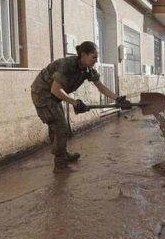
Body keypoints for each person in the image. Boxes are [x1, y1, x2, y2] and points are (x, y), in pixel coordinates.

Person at [30, 41, 130, 173]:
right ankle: (60, 165)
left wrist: (117, 98)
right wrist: (75, 102)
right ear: (83, 55)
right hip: (43, 94)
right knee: (60, 127)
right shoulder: (67, 65)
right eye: (93, 57)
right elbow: (55, 89)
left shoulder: (87, 69)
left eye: (96, 57)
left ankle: (63, 154)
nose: (96, 60)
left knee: (59, 126)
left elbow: (101, 87)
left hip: (53, 95)